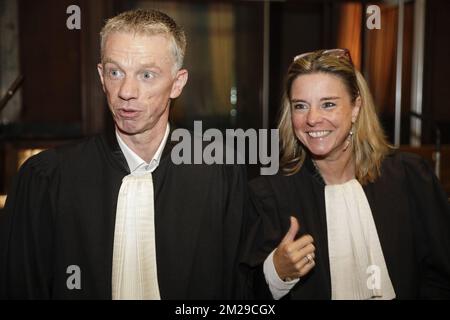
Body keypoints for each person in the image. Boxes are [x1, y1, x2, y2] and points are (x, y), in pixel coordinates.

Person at [0, 9, 247, 299]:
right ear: (101, 77)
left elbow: (239, 287)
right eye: (115, 72)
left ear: (177, 83)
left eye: (146, 74)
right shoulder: (46, 178)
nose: (126, 91)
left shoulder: (218, 172)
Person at [241, 49, 450, 299]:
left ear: (355, 107)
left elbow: (441, 276)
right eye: (300, 106)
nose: (312, 119)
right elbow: (241, 293)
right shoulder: (267, 196)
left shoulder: (411, 178)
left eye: (328, 104)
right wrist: (276, 273)